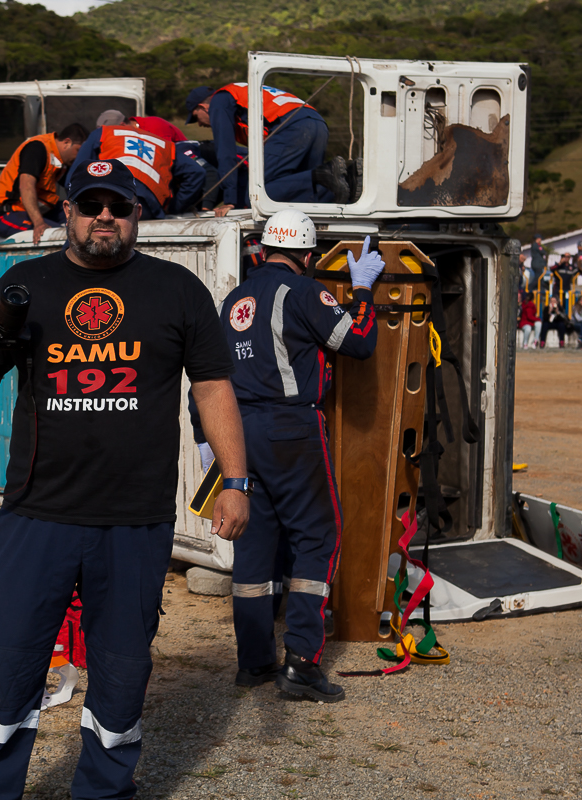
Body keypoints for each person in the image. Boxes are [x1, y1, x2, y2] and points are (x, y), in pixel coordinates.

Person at [0, 159, 247, 799]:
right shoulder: (25, 283)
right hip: (37, 515)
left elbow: (214, 384)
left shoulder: (177, 290)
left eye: (118, 206)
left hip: (135, 522)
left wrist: (235, 480)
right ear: (69, 213)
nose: (104, 217)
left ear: (138, 214)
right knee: (6, 668)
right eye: (91, 205)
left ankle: (104, 792)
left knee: (120, 677)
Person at [211, 210, 379, 701]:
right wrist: (362, 291)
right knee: (316, 537)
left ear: (260, 250)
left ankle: (254, 663)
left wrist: (208, 438)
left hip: (239, 433)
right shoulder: (305, 292)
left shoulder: (234, 299)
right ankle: (303, 663)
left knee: (255, 544)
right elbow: (360, 343)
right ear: (307, 256)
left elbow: (212, 376)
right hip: (291, 428)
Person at [187, 83, 344, 214]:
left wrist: (230, 200)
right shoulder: (242, 94)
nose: (200, 124)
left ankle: (328, 173)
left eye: (196, 118)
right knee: (304, 193)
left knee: (255, 194)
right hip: (317, 122)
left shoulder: (219, 101)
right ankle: (350, 179)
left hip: (291, 126)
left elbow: (226, 152)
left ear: (204, 107)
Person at [65, 119, 205, 220]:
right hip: (147, 209)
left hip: (110, 203)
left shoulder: (103, 133)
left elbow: (74, 177)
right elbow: (197, 172)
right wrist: (174, 208)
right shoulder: (163, 144)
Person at [0, 123, 88, 242]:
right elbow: (26, 185)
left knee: (81, 216)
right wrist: (39, 223)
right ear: (67, 142)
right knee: (65, 237)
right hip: (7, 214)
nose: (79, 156)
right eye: (78, 151)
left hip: (38, 211)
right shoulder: (37, 148)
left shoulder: (60, 161)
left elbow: (76, 185)